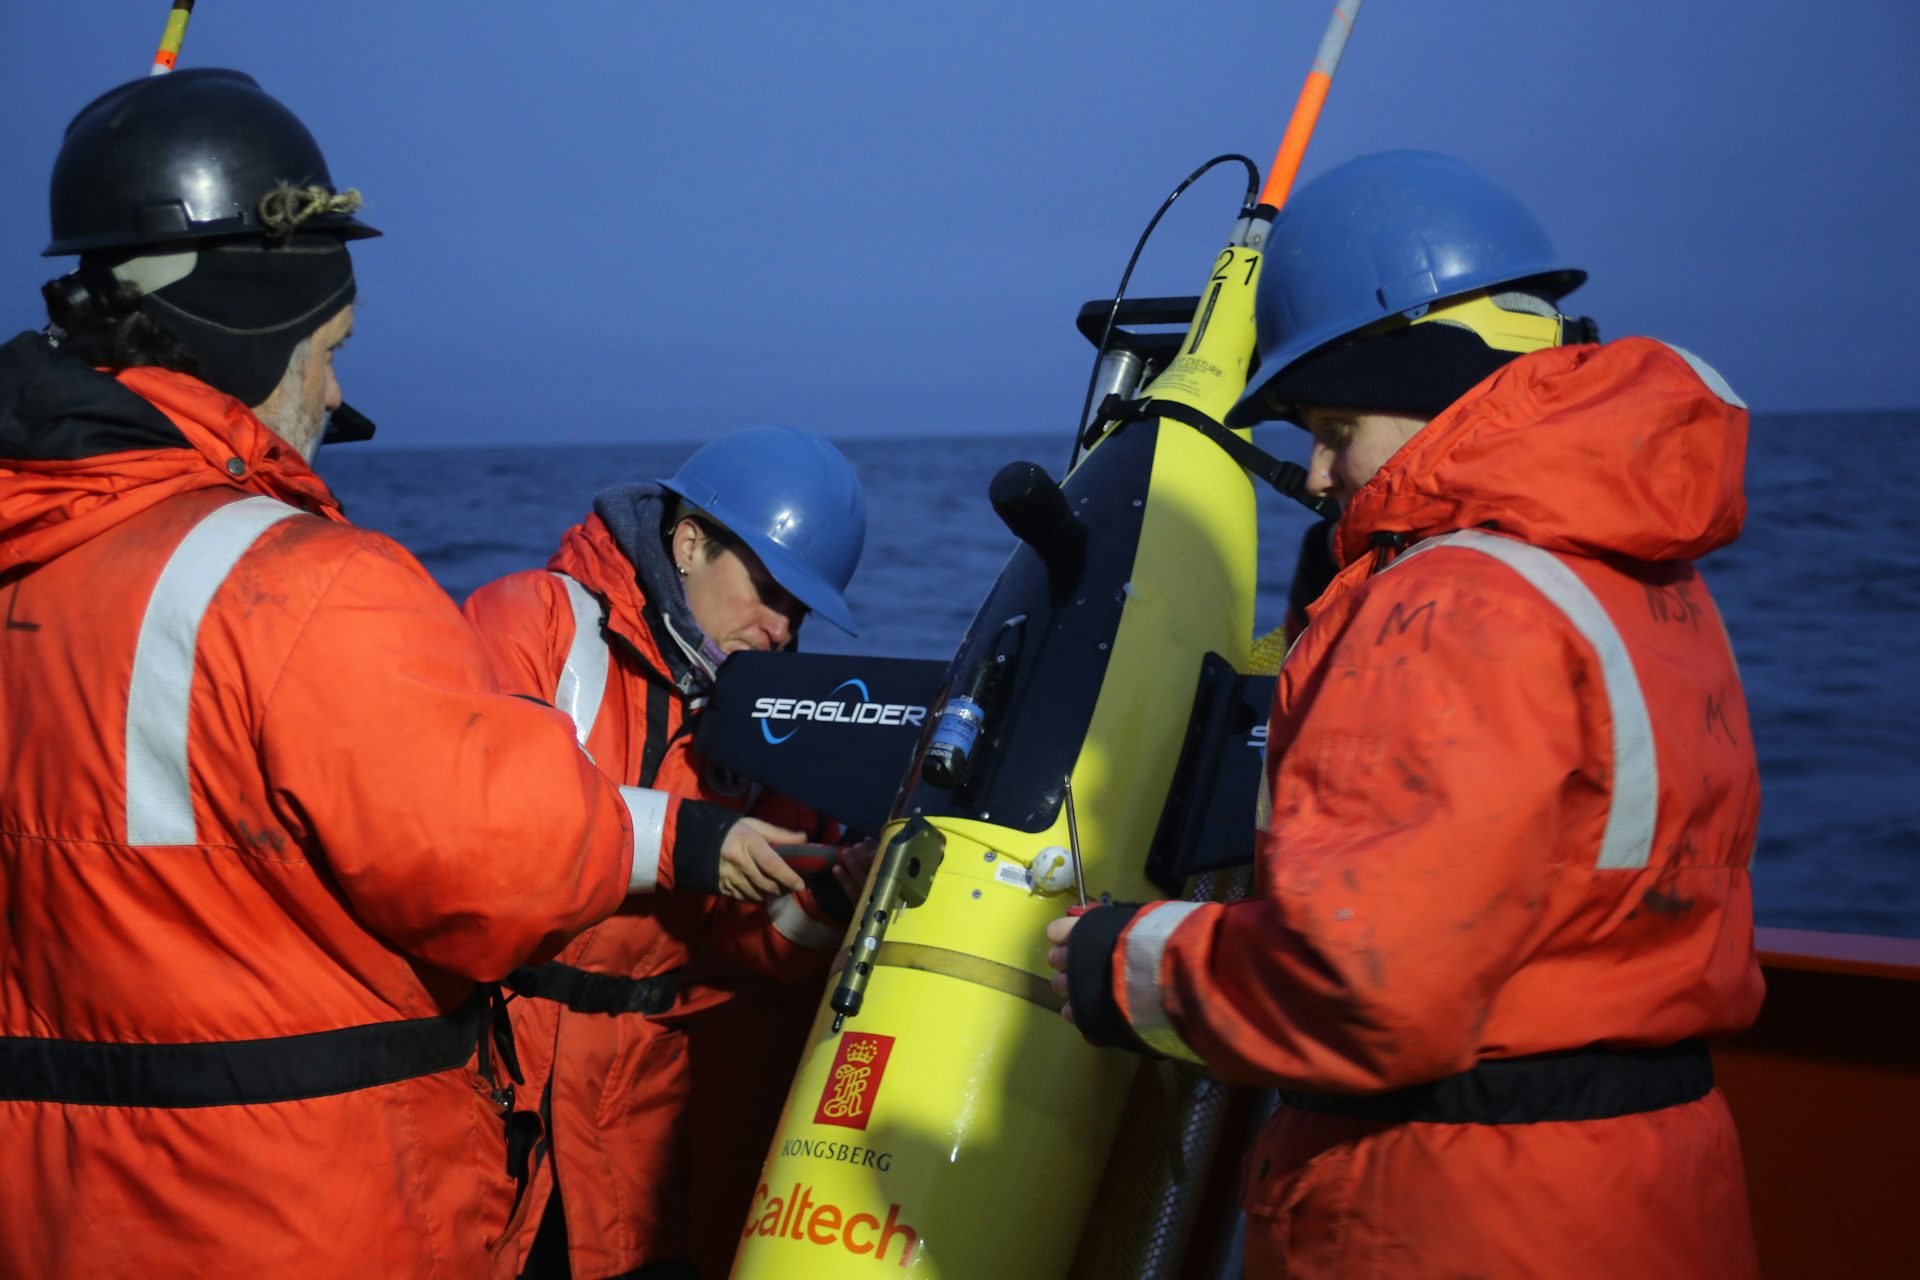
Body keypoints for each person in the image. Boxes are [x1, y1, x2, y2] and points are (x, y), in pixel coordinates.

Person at [0, 69, 800, 1279]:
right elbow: (498, 862)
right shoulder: (301, 584)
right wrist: (684, 842)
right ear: (249, 326)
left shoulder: (32, 559)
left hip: (58, 1209)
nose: (335, 393)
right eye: (330, 349)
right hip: (290, 1210)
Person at [1046, 151, 1764, 1278]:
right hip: (1651, 1188)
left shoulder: (1448, 601)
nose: (1322, 477)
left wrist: (1129, 959)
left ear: (1438, 383)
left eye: (1334, 427)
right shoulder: (1647, 581)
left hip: (1457, 1210)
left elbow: (1366, 985)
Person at [463, 425, 873, 1280]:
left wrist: (834, 894)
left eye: (799, 609)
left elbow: (751, 944)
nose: (779, 627)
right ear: (689, 542)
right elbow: (472, 832)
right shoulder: (531, 623)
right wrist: (689, 845)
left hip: (645, 1121)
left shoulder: (779, 708)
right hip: (493, 1087)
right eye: (768, 589)